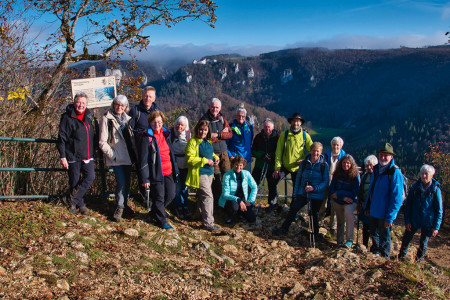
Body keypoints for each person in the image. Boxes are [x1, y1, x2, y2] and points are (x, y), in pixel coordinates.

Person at [273, 142, 329, 239]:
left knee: (313, 213)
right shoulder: (304, 164)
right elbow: (298, 179)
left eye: (317, 151)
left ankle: (315, 234)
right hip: (303, 193)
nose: (315, 153)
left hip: (317, 194)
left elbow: (325, 182)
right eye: (313, 150)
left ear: (321, 152)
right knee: (293, 208)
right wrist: (295, 195)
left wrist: (314, 188)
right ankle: (284, 228)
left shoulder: (324, 165)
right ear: (310, 150)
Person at [99, 95, 137, 222]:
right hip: (117, 157)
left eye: (122, 105)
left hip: (128, 157)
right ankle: (119, 207)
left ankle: (124, 205)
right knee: (121, 182)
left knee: (127, 182)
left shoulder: (128, 120)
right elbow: (102, 142)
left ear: (126, 107)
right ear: (113, 104)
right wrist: (113, 155)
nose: (119, 107)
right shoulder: (106, 119)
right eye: (117, 104)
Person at [57, 92, 96, 215]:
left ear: (86, 104)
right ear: (74, 103)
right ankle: (80, 204)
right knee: (74, 181)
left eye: (83, 103)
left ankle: (72, 200)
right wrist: (63, 156)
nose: (81, 105)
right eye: (78, 102)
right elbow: (62, 138)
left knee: (90, 177)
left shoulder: (89, 117)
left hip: (87, 155)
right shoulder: (67, 117)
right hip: (73, 154)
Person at [138, 111, 178, 230]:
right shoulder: (147, 137)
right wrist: (145, 178)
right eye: (154, 122)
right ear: (150, 122)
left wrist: (175, 169)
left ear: (163, 122)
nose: (157, 124)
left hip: (169, 170)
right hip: (156, 172)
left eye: (159, 122)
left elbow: (171, 153)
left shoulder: (166, 134)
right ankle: (162, 220)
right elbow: (143, 159)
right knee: (159, 197)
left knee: (171, 194)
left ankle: (156, 211)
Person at [363, 143, 404, 259]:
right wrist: (367, 206)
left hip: (384, 212)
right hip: (373, 210)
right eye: (381, 155)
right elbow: (371, 190)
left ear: (391, 157)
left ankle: (384, 258)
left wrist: (390, 216)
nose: (383, 157)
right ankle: (375, 253)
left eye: (386, 155)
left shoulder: (394, 172)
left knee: (385, 236)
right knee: (373, 233)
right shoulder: (376, 169)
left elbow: (397, 197)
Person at [398, 165, 443, 263]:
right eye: (422, 173)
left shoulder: (435, 190)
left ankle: (418, 262)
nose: (424, 176)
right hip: (414, 219)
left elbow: (439, 209)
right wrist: (407, 221)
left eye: (426, 174)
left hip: (428, 221)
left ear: (431, 175)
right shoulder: (415, 188)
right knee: (406, 239)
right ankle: (401, 258)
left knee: (423, 243)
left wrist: (436, 226)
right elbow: (408, 205)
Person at [185, 120, 221, 232]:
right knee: (208, 196)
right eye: (201, 129)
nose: (202, 132)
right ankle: (208, 223)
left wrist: (216, 157)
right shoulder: (193, 142)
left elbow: (210, 153)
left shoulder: (207, 141)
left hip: (209, 173)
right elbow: (190, 158)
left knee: (202, 195)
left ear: (207, 131)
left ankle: (198, 215)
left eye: (205, 130)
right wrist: (205, 161)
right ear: (197, 129)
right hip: (199, 172)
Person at [128, 86, 162, 203]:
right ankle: (146, 201)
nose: (147, 98)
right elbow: (129, 130)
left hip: (155, 148)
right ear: (142, 96)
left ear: (154, 98)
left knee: (154, 172)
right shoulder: (135, 111)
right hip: (140, 149)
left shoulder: (157, 110)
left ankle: (155, 199)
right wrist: (143, 134)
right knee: (142, 174)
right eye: (146, 96)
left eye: (150, 96)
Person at [200, 98, 232, 203]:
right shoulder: (204, 120)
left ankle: (228, 201)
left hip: (224, 152)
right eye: (213, 107)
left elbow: (230, 134)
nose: (214, 109)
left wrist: (218, 135)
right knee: (216, 179)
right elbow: (204, 136)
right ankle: (218, 203)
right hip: (212, 153)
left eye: (217, 107)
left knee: (227, 176)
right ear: (209, 107)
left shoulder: (222, 119)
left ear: (220, 108)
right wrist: (222, 135)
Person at [273, 112, 313, 196]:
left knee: (296, 189)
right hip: (285, 165)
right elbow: (278, 151)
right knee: (272, 182)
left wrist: (305, 161)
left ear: (301, 122)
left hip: (298, 167)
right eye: (294, 121)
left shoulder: (305, 136)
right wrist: (277, 168)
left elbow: (312, 151)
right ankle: (274, 203)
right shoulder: (285, 134)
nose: (296, 123)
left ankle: (293, 208)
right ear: (290, 122)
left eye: (298, 121)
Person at [329, 154, 361, 248]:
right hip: (338, 200)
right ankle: (340, 241)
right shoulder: (337, 173)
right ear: (341, 163)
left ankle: (349, 240)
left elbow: (355, 191)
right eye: (344, 162)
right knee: (340, 220)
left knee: (349, 216)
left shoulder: (355, 175)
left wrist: (339, 193)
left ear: (351, 164)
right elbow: (332, 188)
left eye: (348, 163)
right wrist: (342, 196)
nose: (345, 165)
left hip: (350, 201)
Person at [319, 136, 347, 234]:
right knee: (323, 202)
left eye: (337, 145)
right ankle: (319, 221)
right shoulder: (326, 156)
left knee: (335, 206)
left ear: (341, 146)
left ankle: (333, 227)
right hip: (325, 182)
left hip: (337, 185)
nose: (335, 147)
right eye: (334, 144)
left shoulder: (344, 157)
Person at [219, 155, 258, 224]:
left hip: (243, 201)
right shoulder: (227, 175)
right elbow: (225, 194)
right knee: (235, 207)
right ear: (233, 164)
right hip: (231, 200)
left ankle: (240, 213)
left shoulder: (247, 174)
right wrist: (238, 200)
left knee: (252, 218)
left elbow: (254, 187)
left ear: (243, 165)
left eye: (240, 165)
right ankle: (229, 215)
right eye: (236, 165)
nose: (238, 167)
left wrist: (251, 201)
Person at [251, 118, 280, 211]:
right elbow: (253, 151)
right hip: (260, 164)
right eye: (265, 127)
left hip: (271, 165)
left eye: (269, 127)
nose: (267, 129)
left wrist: (272, 157)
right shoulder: (259, 137)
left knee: (272, 184)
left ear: (273, 127)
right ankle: (250, 202)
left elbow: (280, 152)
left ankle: (272, 203)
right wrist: (262, 155)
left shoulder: (277, 137)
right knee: (254, 183)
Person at [170, 116, 192, 220]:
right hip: (175, 164)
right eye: (178, 124)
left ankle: (185, 206)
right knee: (177, 187)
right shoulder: (171, 134)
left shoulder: (189, 135)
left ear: (185, 126)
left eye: (182, 125)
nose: (179, 126)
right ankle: (178, 206)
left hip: (186, 164)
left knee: (185, 186)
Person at [357, 155, 378, 249]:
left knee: (374, 228)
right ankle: (364, 245)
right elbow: (361, 189)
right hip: (364, 205)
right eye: (367, 165)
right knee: (366, 227)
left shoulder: (377, 177)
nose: (369, 167)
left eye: (371, 165)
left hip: (374, 206)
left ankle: (375, 247)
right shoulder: (365, 177)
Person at [226, 107, 254, 172]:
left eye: (243, 116)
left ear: (245, 116)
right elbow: (225, 144)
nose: (241, 118)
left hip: (246, 160)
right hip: (235, 161)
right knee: (234, 181)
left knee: (246, 180)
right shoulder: (230, 127)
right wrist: (230, 156)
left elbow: (250, 140)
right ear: (236, 116)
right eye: (239, 116)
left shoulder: (249, 126)